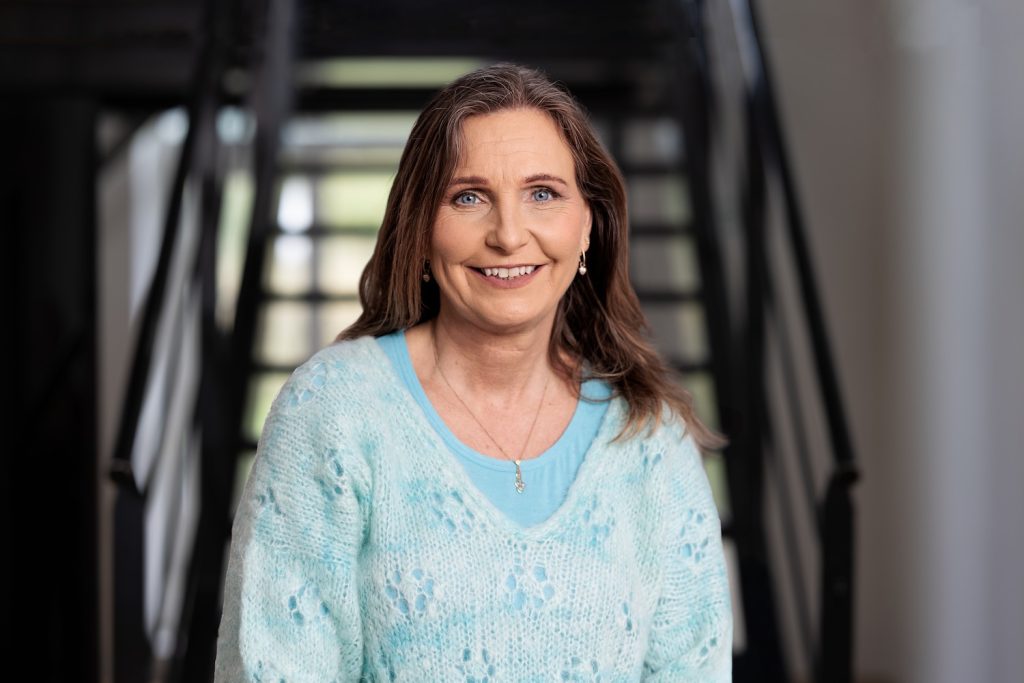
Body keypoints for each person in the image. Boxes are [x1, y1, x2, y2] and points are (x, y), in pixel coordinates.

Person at [214, 63, 732, 682]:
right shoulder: (334, 412)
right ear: (421, 228)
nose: (509, 235)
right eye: (468, 197)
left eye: (543, 193)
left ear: (587, 225)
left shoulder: (650, 437)